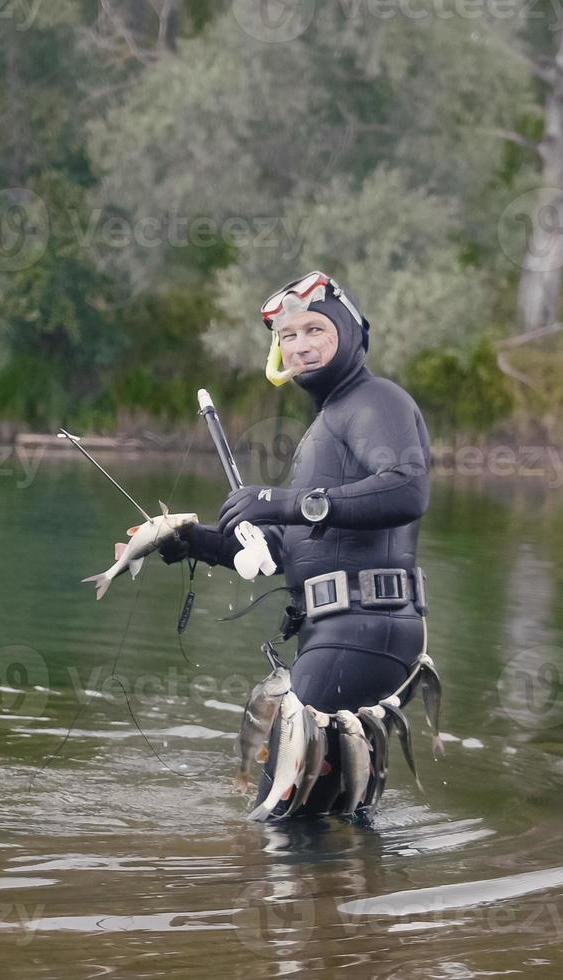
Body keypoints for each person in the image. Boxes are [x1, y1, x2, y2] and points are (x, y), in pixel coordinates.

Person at [161, 271, 434, 817]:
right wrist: (194, 542)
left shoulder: (375, 400)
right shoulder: (329, 425)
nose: (300, 345)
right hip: (344, 635)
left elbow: (407, 486)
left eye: (314, 328)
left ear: (352, 334)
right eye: (287, 336)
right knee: (328, 814)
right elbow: (289, 551)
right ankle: (350, 897)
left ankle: (282, 900)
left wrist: (286, 501)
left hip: (358, 634)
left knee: (273, 819)